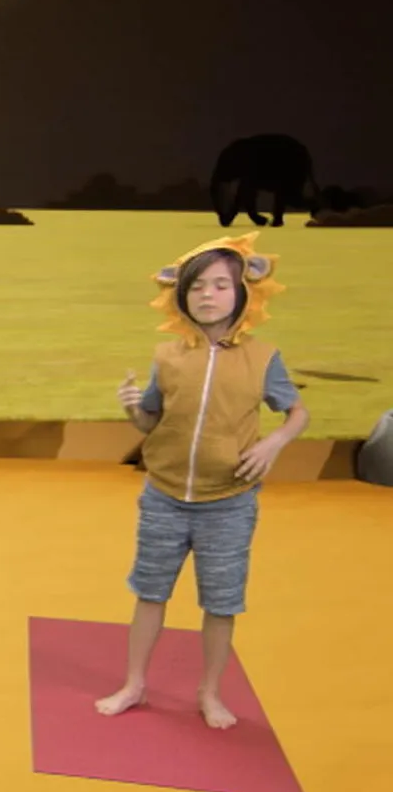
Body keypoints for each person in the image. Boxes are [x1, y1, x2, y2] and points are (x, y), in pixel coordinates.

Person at [99, 232, 309, 729]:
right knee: (150, 593)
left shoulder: (264, 358)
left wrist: (273, 444)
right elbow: (152, 422)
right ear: (180, 295)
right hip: (164, 498)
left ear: (244, 293)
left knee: (220, 602)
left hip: (229, 505)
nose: (207, 295)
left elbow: (297, 412)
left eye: (220, 285)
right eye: (196, 287)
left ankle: (209, 693)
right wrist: (133, 410)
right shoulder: (167, 357)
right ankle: (134, 684)